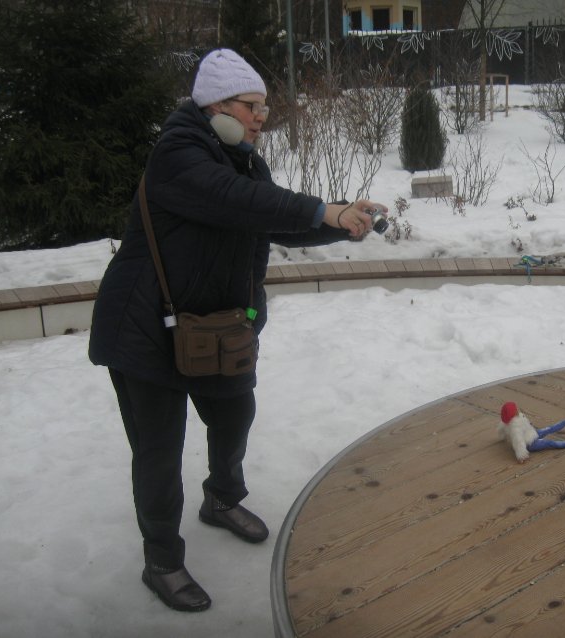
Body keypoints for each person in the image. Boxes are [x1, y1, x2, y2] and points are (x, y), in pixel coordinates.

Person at [88, 48, 387, 612]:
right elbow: (236, 201)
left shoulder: (243, 159)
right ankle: (162, 560)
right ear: (215, 105)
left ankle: (222, 501)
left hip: (216, 328)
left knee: (234, 414)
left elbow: (264, 216)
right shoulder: (179, 154)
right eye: (251, 106)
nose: (261, 118)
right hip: (143, 330)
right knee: (159, 450)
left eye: (263, 108)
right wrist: (322, 209)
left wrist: (342, 221)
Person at [498, 402, 565, 464]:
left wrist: (502, 437)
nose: (517, 409)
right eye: (515, 409)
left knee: (549, 428)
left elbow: (501, 429)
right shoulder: (515, 428)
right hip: (530, 444)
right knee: (550, 443)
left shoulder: (510, 421)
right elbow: (519, 442)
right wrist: (521, 456)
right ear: (513, 413)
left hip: (532, 433)